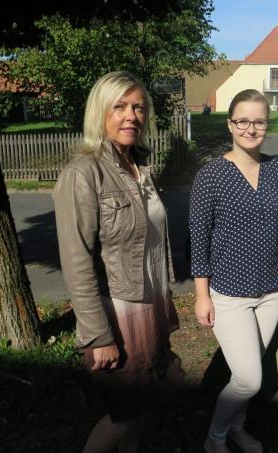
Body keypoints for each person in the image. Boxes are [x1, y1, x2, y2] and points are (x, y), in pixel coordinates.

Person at [53, 70, 183, 453]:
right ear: (100, 113)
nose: (132, 116)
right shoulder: (83, 173)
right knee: (122, 415)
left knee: (144, 406)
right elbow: (77, 263)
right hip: (118, 316)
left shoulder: (138, 166)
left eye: (139, 107)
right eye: (120, 106)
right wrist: (98, 334)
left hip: (150, 305)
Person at [189, 89, 278, 453]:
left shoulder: (276, 171)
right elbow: (198, 238)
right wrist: (201, 295)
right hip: (228, 296)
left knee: (249, 372)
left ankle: (237, 427)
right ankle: (214, 438)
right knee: (249, 379)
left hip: (269, 293)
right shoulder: (211, 176)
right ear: (230, 124)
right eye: (243, 121)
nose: (251, 128)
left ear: (267, 124)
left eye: (259, 121)